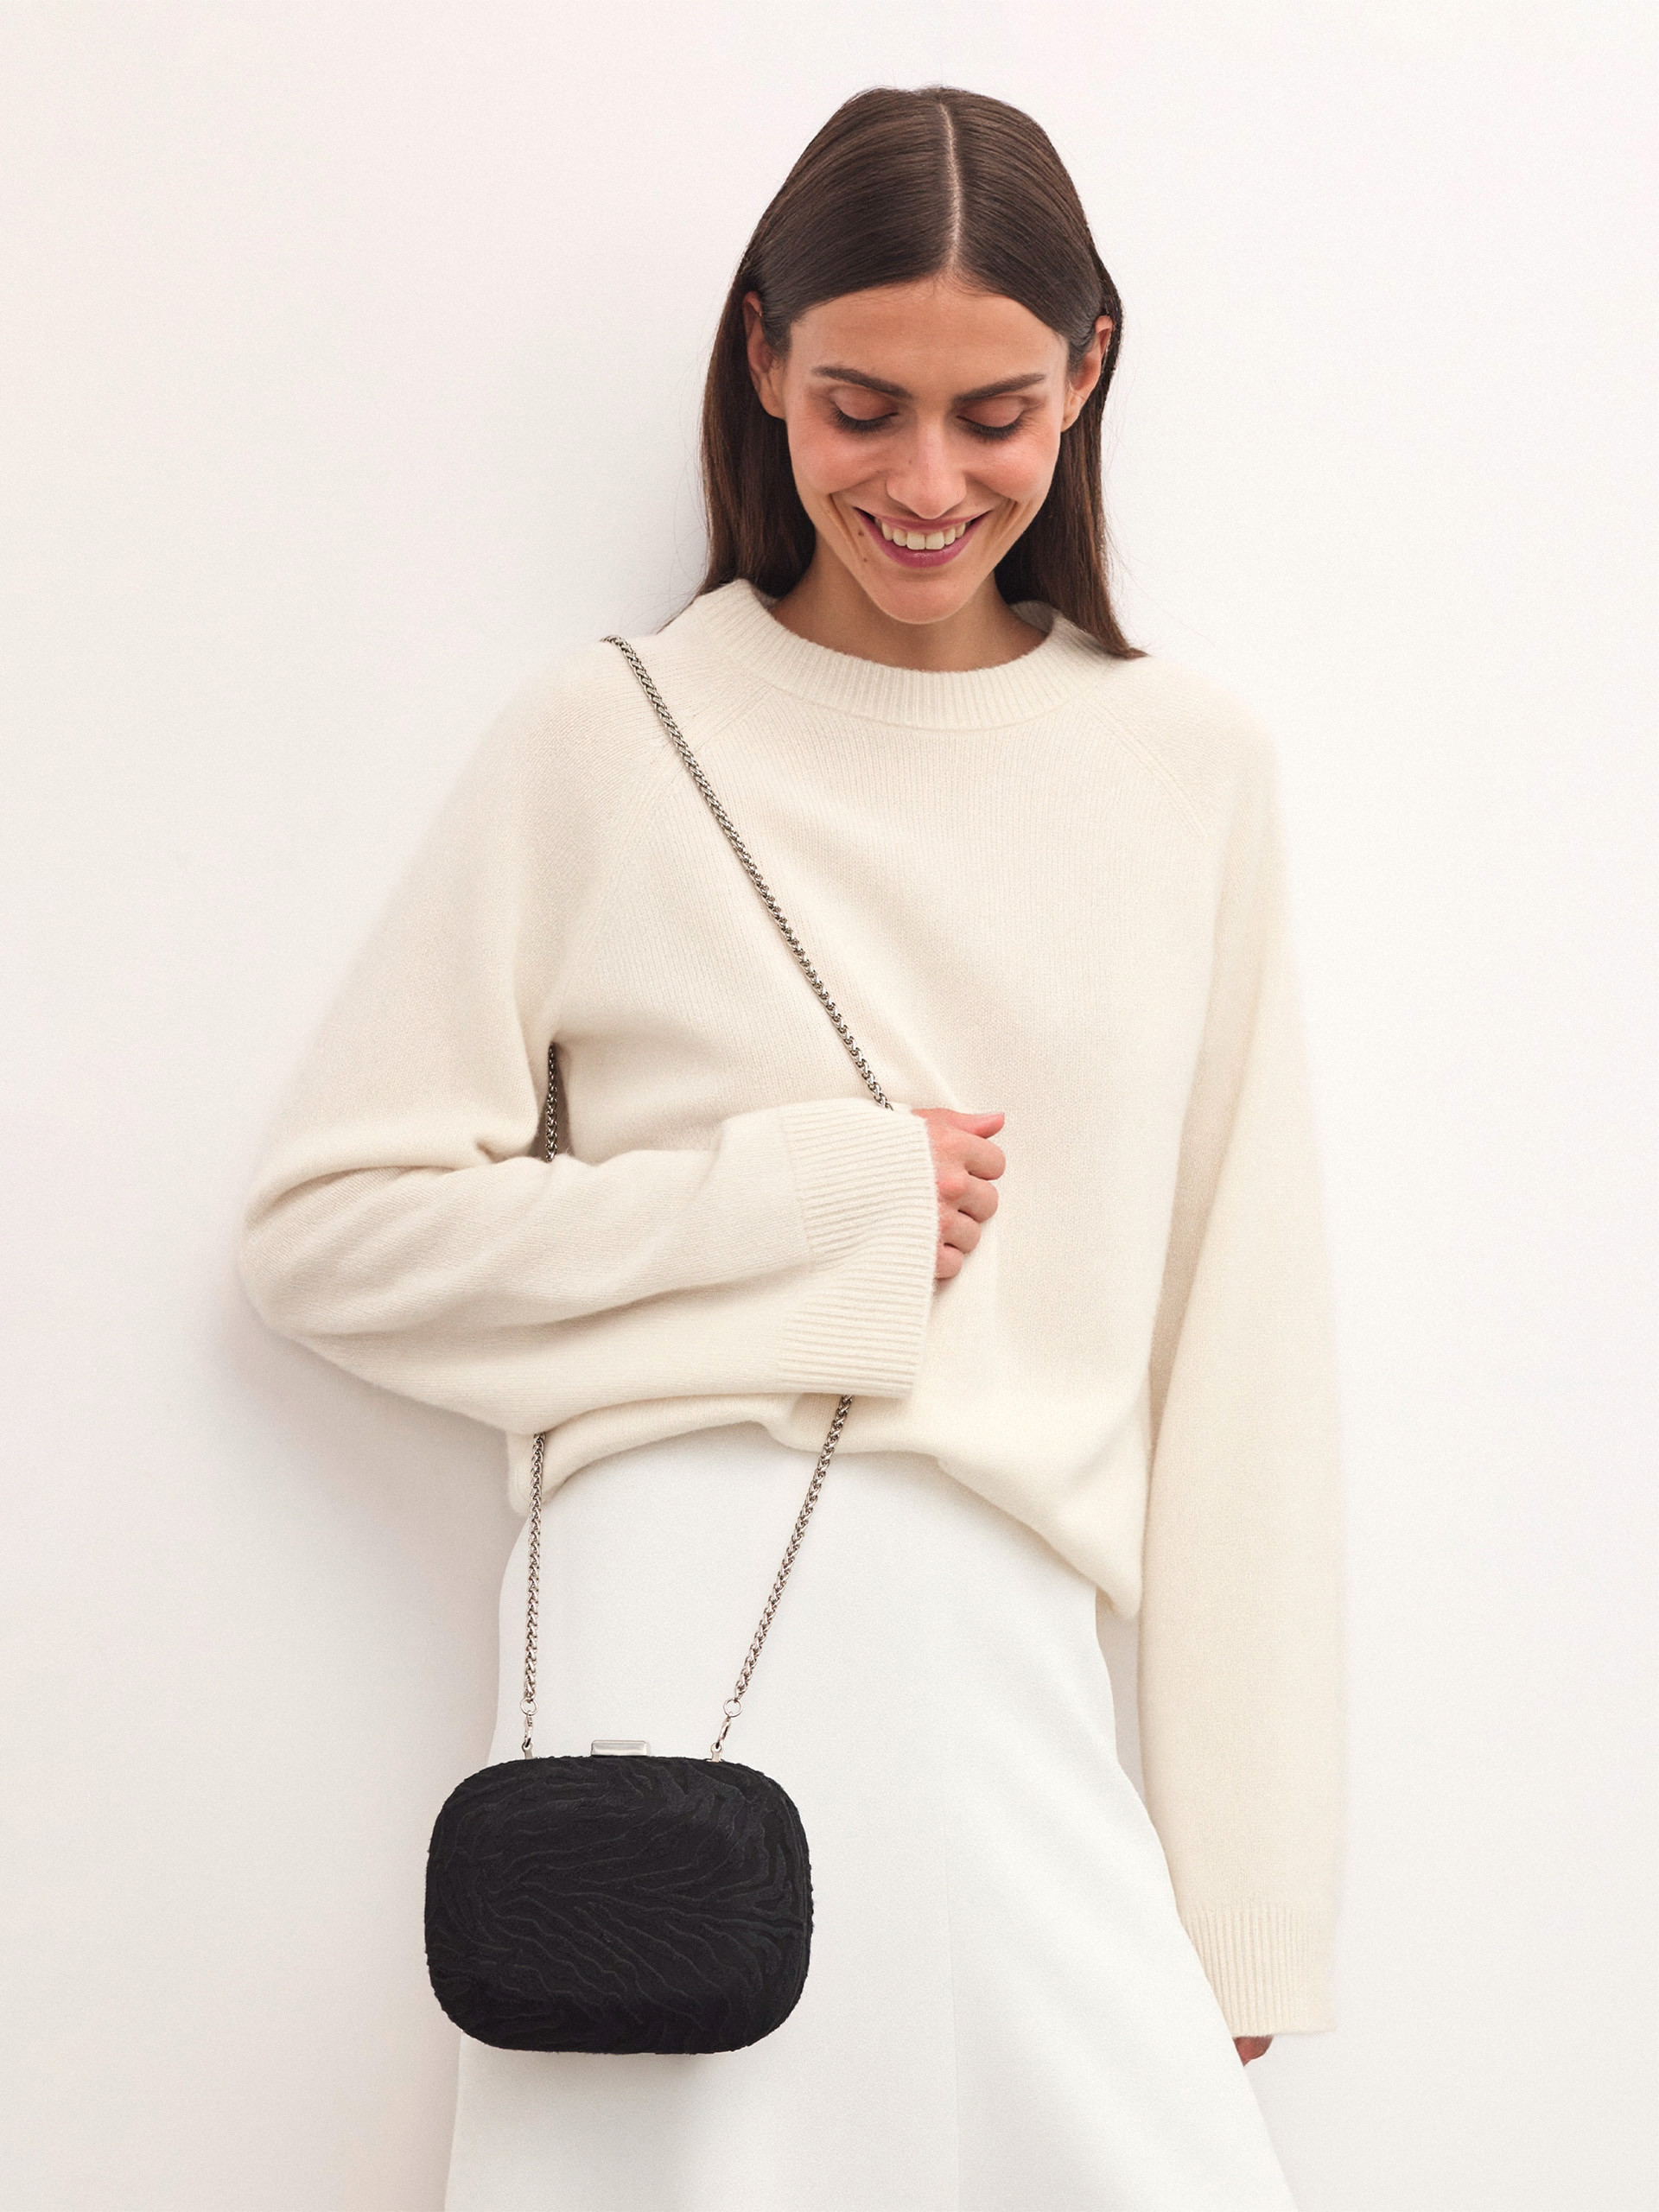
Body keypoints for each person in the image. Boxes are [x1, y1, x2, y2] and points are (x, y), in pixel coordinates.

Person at [240, 82, 1344, 2212]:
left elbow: (1245, 1343)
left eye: (993, 415)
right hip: (673, 1656)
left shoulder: (1187, 768)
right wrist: (800, 1205)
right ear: (762, 360)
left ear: (1088, 375)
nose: (925, 484)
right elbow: (326, 1235)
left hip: (1005, 1647)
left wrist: (1245, 1891)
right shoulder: (613, 733)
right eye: (860, 405)